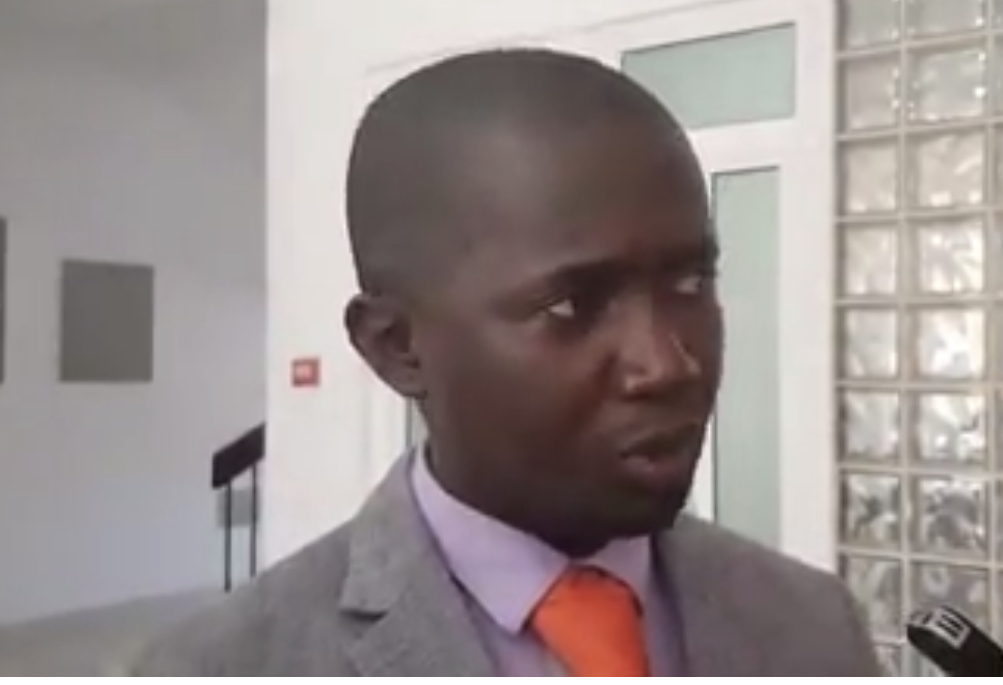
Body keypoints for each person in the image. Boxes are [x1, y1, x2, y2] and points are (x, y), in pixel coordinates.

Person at [131, 49, 882, 677]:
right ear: (397, 346)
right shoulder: (219, 666)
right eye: (571, 306)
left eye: (689, 284)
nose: (666, 364)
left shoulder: (813, 625)